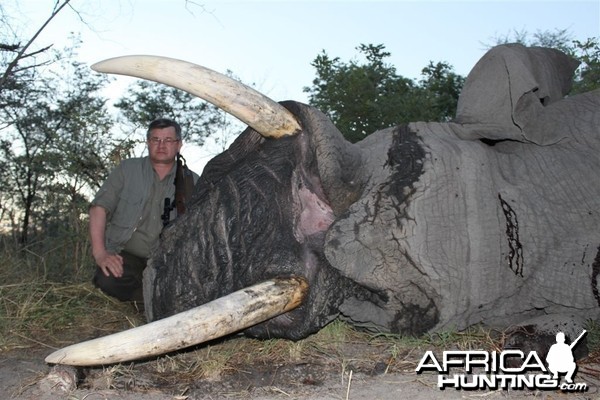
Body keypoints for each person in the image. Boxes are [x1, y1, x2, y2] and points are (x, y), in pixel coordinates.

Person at [90, 118, 199, 304]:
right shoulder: (127, 169)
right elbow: (99, 208)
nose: (161, 145)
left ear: (179, 144)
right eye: (156, 139)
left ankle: (150, 299)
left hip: (166, 260)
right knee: (107, 279)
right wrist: (100, 254)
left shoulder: (193, 181)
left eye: (168, 140)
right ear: (148, 143)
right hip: (126, 255)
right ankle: (152, 302)